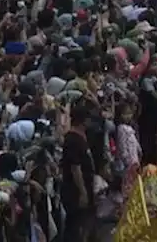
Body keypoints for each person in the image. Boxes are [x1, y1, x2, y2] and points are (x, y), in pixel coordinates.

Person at [61, 103, 97, 242]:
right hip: (74, 190)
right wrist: (82, 192)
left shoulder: (81, 137)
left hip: (85, 185)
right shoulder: (72, 140)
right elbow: (75, 168)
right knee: (75, 225)